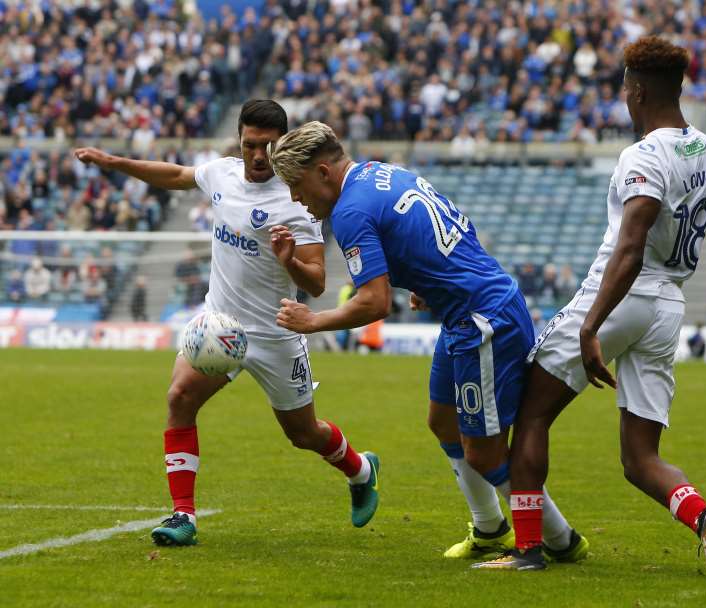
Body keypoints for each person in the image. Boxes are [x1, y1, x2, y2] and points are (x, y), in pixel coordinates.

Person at [476, 37, 706, 577]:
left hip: (623, 297)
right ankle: (705, 520)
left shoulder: (642, 155)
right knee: (639, 458)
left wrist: (591, 326)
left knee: (532, 413)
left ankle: (528, 549)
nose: (624, 96)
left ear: (637, 90)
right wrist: (693, 200)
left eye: (625, 87)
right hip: (668, 306)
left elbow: (631, 242)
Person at [268, 121, 586, 562]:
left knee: (484, 451)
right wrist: (427, 278)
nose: (294, 198)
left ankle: (556, 540)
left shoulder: (349, 210)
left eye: (296, 185)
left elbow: (374, 303)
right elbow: (455, 227)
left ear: (322, 172)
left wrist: (312, 320)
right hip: (465, 313)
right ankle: (490, 529)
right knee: (442, 421)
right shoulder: (382, 172)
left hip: (482, 321)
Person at [74, 100, 379, 548]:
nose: (258, 155)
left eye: (268, 147)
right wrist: (114, 162)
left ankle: (361, 470)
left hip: (276, 333)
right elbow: (177, 176)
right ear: (239, 140)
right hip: (221, 327)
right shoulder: (223, 174)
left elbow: (315, 284)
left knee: (303, 434)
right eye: (250, 144)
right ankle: (183, 516)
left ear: (282, 145)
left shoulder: (297, 199)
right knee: (179, 397)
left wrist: (288, 259)